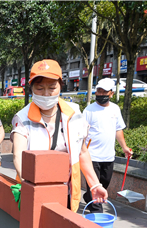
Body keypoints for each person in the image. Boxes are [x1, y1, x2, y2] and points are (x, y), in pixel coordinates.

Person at [10, 59, 108, 212]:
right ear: (31, 89)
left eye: (52, 87)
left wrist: (94, 184)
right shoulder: (22, 118)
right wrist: (27, 183)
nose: (46, 94)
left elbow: (82, 152)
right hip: (33, 190)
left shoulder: (74, 113)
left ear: (61, 86)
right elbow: (18, 155)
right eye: (40, 88)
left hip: (67, 190)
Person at [82, 78, 131, 213]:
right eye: (99, 91)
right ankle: (98, 212)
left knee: (105, 181)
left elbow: (118, 129)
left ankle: (88, 196)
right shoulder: (89, 110)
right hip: (92, 155)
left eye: (105, 92)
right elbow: (82, 132)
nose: (101, 94)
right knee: (95, 183)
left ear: (111, 93)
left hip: (108, 155)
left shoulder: (115, 109)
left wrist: (124, 147)